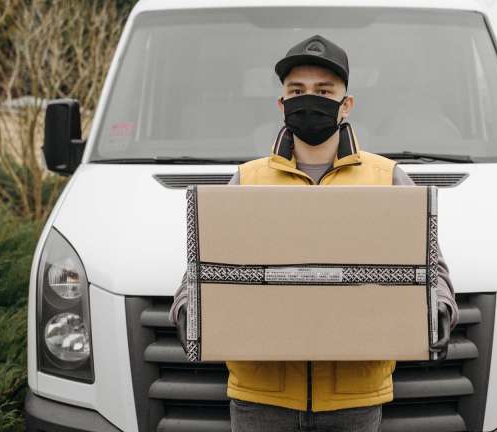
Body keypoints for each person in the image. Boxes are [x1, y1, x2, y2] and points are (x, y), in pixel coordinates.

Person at [171, 34, 458, 432]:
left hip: (354, 400)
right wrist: (188, 310)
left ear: (346, 104)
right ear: (282, 103)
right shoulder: (245, 180)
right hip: (260, 399)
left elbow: (433, 271)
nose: (309, 100)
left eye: (324, 91)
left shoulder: (389, 179)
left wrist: (438, 309)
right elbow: (200, 273)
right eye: (297, 90)